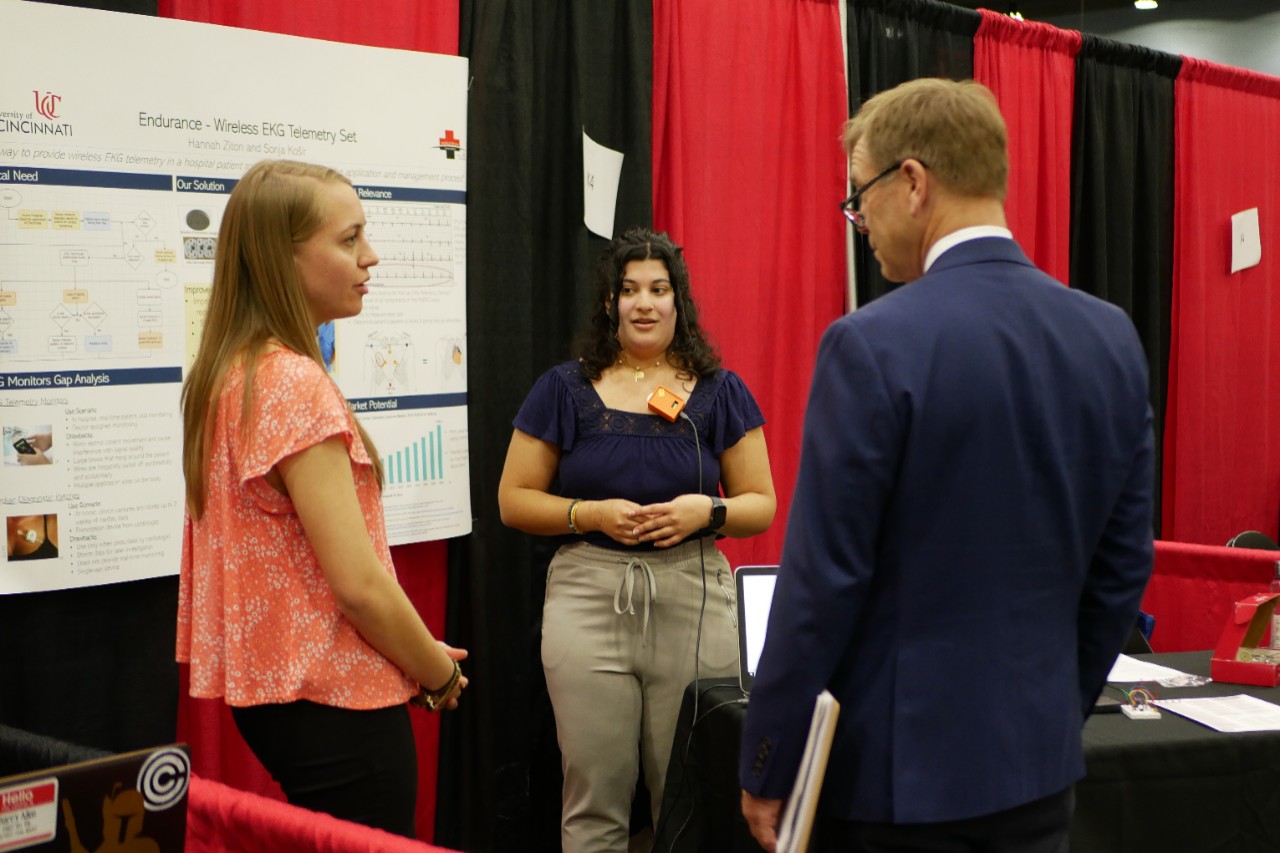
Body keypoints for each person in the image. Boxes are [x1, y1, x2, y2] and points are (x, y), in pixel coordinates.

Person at [739, 79, 1155, 853]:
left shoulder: (870, 343)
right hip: (1038, 771)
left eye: (859, 196)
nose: (858, 221)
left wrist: (770, 755)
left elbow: (822, 583)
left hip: (898, 783)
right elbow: (1123, 568)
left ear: (912, 182)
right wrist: (1052, 710)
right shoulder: (1111, 338)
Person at [177, 160, 466, 838]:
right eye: (348, 239)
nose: (370, 257)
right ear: (284, 257)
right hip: (335, 702)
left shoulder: (228, 372)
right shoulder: (290, 380)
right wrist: (434, 671)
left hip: (287, 699)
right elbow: (359, 582)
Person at [499, 227, 777, 852]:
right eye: (628, 291)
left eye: (658, 289)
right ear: (609, 304)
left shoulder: (720, 392)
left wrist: (704, 512)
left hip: (694, 596)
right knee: (594, 797)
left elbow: (761, 504)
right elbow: (513, 500)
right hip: (588, 597)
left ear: (679, 302)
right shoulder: (563, 389)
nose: (643, 303)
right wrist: (590, 515)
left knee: (684, 795)